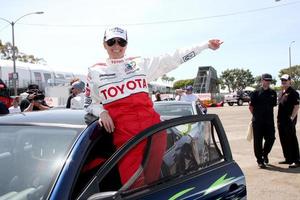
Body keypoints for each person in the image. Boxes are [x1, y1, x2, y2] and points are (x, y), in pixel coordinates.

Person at [85, 26, 222, 186]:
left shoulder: (139, 64)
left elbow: (173, 58)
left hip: (154, 131)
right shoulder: (95, 71)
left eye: (121, 42)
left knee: (153, 183)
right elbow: (90, 103)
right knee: (133, 187)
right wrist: (101, 112)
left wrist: (204, 45)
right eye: (111, 42)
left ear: (126, 44)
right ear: (104, 44)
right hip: (127, 137)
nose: (116, 46)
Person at [249, 73, 277, 169]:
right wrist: (256, 116)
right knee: (258, 141)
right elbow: (251, 107)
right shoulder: (256, 93)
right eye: (266, 80)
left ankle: (265, 154)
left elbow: (273, 105)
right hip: (258, 122)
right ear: (262, 80)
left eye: (269, 80)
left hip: (269, 121)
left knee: (271, 138)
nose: (267, 82)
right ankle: (260, 161)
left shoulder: (273, 93)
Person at [277, 74, 300, 168]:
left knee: (291, 139)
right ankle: (288, 158)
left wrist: (292, 118)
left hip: (289, 120)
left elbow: (297, 106)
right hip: (281, 120)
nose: (283, 82)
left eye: (285, 80)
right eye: (282, 80)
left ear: (290, 81)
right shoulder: (282, 92)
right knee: (283, 139)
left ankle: (296, 160)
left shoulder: (293, 92)